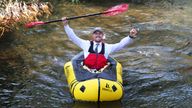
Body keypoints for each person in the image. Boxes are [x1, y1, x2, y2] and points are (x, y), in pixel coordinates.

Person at [62, 17, 138, 71]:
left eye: (100, 33)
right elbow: (73, 37)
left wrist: (130, 36)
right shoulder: (85, 44)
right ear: (92, 36)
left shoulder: (108, 47)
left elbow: (121, 44)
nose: (98, 35)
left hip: (102, 72)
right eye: (95, 33)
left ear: (102, 36)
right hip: (86, 71)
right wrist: (66, 25)